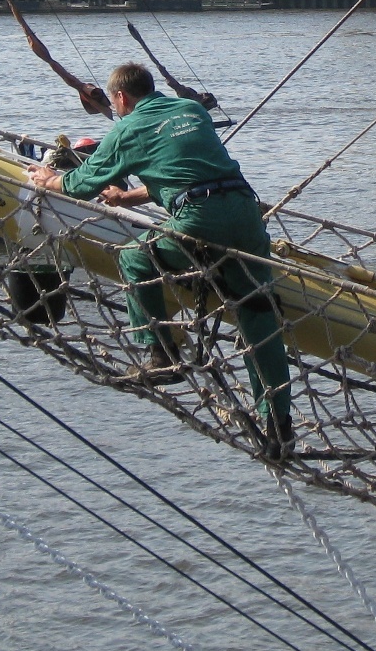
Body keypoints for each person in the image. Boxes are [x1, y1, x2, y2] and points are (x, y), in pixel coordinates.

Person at [28, 63, 293, 459]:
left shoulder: (127, 128)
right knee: (257, 313)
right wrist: (128, 197)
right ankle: (279, 427)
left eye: (114, 103)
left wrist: (47, 179)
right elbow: (181, 172)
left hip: (200, 220)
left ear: (120, 98)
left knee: (136, 258)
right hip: (244, 211)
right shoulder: (192, 111)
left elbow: (81, 185)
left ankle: (160, 353)